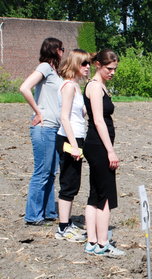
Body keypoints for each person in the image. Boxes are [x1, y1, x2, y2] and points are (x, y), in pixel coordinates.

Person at [83, 49, 124, 256]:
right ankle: (102, 244)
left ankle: (91, 241)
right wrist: (111, 151)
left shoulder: (97, 86)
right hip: (99, 146)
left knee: (95, 194)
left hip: (95, 144)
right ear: (98, 64)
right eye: (109, 68)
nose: (113, 72)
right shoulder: (96, 87)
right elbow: (98, 121)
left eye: (115, 69)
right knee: (105, 195)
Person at [19, 37, 64, 225]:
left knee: (51, 172)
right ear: (54, 50)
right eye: (61, 49)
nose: (63, 52)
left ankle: (48, 212)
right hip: (44, 128)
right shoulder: (45, 67)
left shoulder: (55, 72)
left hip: (54, 128)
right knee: (42, 172)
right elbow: (24, 88)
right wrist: (38, 111)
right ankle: (33, 215)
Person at [54, 49, 91, 242]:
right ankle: (62, 228)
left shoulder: (76, 86)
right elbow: (64, 118)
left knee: (73, 183)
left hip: (77, 138)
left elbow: (80, 114)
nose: (87, 67)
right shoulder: (68, 86)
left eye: (88, 64)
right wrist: (74, 146)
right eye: (83, 64)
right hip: (69, 140)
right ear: (75, 65)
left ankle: (67, 224)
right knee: (68, 184)